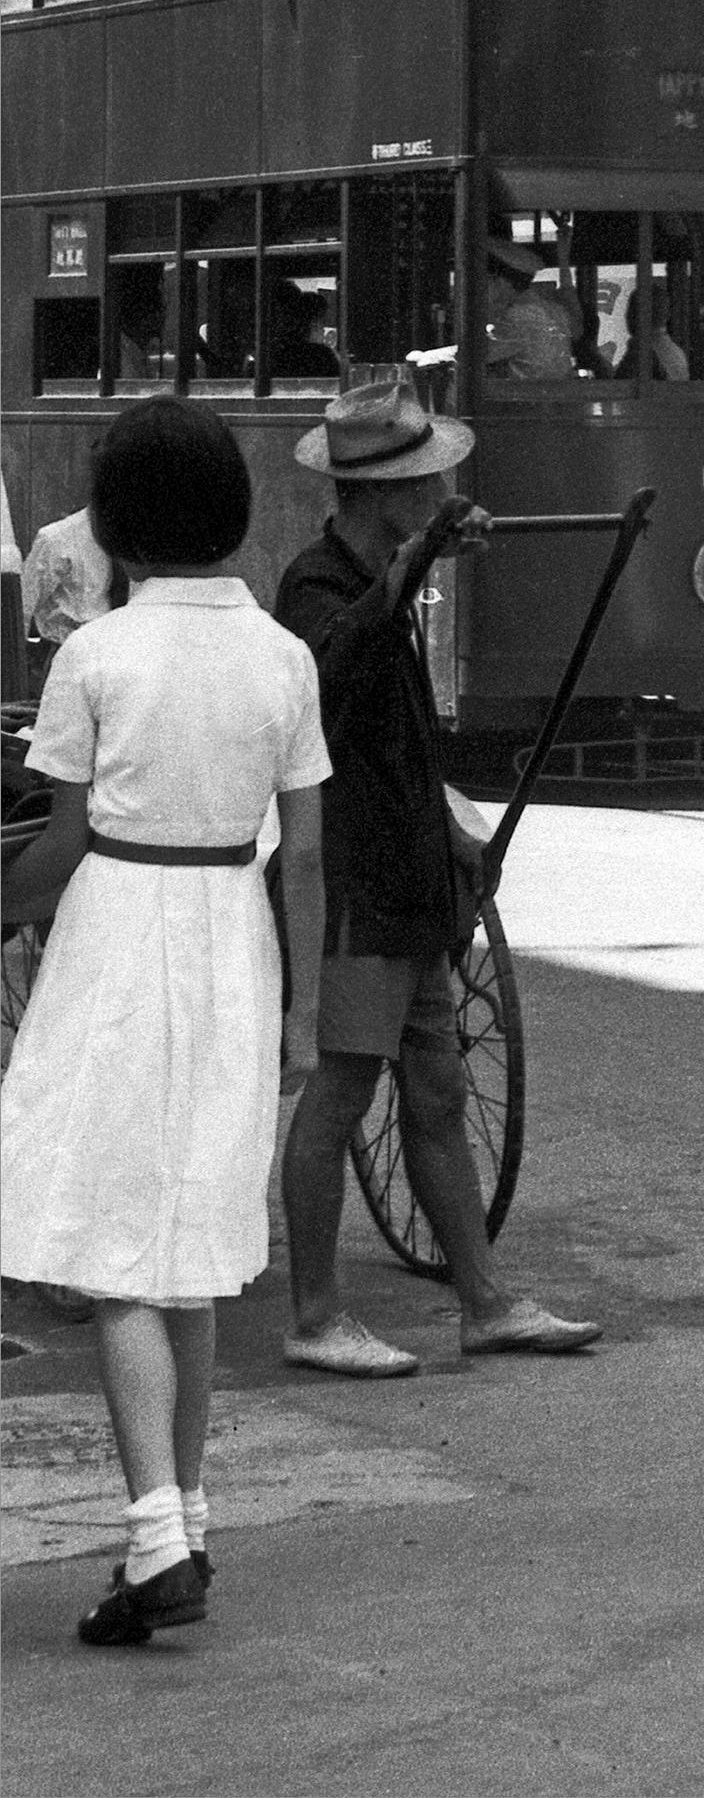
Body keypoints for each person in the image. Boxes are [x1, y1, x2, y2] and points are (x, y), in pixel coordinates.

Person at [0, 399, 330, 1647]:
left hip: (122, 935)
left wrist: (3, 904)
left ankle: (153, 1534)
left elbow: (65, 836)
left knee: (112, 1242)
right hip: (231, 936)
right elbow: (303, 856)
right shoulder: (282, 657)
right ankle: (185, 1517)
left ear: (120, 523)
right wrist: (299, 1006)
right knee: (187, 1242)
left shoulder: (99, 656)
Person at [275, 377, 599, 1375]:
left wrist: (451, 830)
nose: (437, 492)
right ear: (383, 499)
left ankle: (485, 1298)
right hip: (354, 883)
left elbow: (403, 737)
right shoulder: (318, 582)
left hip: (408, 878)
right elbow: (339, 668)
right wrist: (412, 567)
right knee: (337, 1094)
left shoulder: (384, 581)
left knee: (438, 1089)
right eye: (423, 485)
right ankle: (317, 1311)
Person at [23, 495, 115, 658]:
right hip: (70, 653)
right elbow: (25, 605)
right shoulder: (58, 538)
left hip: (130, 652)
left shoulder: (143, 539)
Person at [483, 234, 584, 380]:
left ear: (502, 282)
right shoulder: (547, 308)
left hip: (531, 401)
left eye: (487, 281)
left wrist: (438, 355)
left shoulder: (520, 317)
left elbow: (473, 356)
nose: (484, 289)